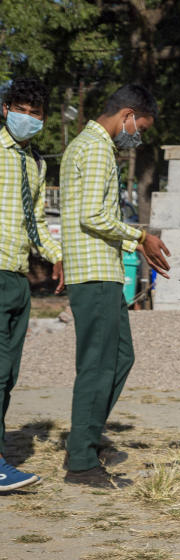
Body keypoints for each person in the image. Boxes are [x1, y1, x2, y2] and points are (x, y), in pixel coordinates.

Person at [59, 84, 170, 488]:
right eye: (138, 126)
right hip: (93, 273)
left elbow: (98, 216)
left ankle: (87, 436)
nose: (136, 134)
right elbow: (93, 216)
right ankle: (82, 461)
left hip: (103, 270)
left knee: (120, 358)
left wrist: (135, 244)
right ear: (126, 114)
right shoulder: (94, 148)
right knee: (98, 365)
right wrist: (140, 237)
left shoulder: (94, 147)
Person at [0, 78, 63, 492]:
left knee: (7, 374)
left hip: (17, 279)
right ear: (5, 109)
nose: (29, 119)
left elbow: (35, 220)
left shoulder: (35, 163)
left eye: (36, 114)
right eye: (22, 109)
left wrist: (57, 258)